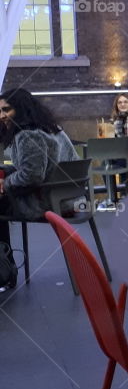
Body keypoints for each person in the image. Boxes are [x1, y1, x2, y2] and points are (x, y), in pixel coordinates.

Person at [0, 88, 78, 289]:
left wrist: (4, 183)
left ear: (21, 109)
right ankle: (5, 269)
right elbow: (38, 168)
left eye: (7, 110)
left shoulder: (27, 134)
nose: (2, 116)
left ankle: (4, 271)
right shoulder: (51, 128)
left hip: (45, 203)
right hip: (67, 198)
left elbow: (32, 175)